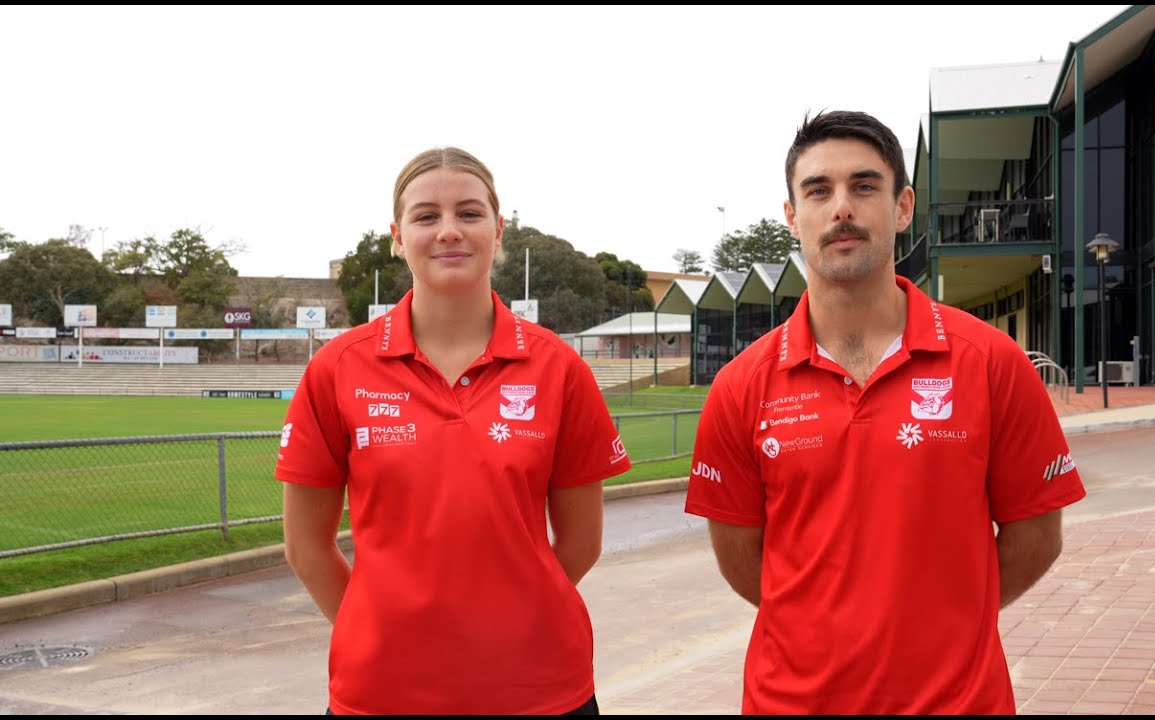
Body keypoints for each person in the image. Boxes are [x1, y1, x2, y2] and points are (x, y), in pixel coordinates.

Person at [683, 110, 1086, 714]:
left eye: (864, 186)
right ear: (792, 217)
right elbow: (742, 559)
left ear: (902, 208)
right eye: (818, 190)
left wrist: (945, 623)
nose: (841, 206)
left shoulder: (990, 361)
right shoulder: (743, 386)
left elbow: (1036, 537)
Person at [276, 146, 631, 715]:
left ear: (498, 229)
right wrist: (384, 632)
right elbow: (306, 548)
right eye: (426, 216)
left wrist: (512, 620)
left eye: (469, 213)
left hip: (540, 690)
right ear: (397, 235)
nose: (449, 232)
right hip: (382, 693)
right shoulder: (338, 368)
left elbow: (581, 544)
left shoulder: (559, 368)